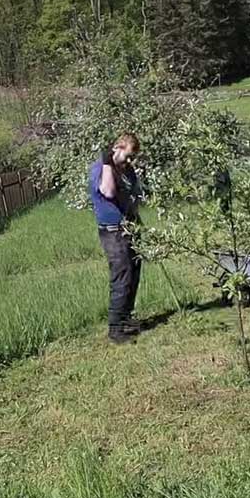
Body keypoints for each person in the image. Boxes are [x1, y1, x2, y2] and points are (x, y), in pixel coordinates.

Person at [89, 133, 143, 344]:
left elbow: (134, 195)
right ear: (117, 148)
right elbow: (108, 192)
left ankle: (126, 317)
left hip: (130, 227)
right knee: (122, 275)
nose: (131, 161)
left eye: (133, 157)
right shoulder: (101, 168)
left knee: (134, 271)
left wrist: (136, 218)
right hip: (112, 230)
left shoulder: (127, 169)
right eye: (128, 155)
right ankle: (115, 328)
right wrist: (107, 162)